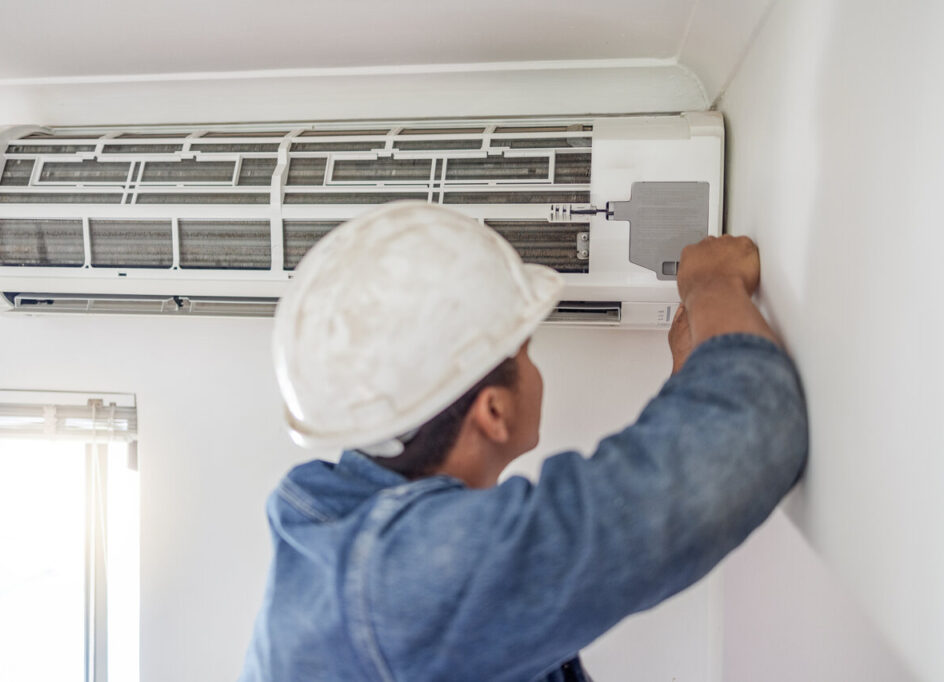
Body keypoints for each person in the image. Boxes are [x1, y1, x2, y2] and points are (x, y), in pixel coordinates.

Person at [239, 202, 808, 681]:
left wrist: (695, 375)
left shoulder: (343, 542)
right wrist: (713, 284)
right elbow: (755, 426)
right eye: (526, 351)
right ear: (493, 411)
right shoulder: (403, 584)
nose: (533, 365)